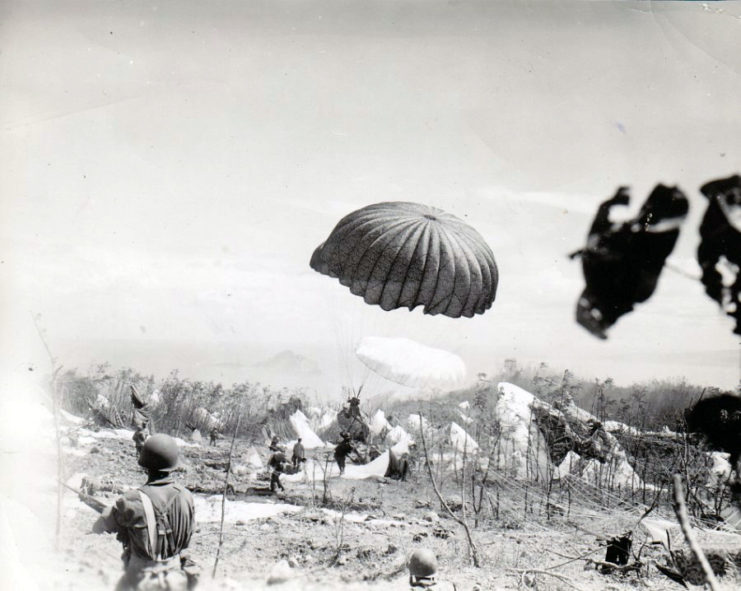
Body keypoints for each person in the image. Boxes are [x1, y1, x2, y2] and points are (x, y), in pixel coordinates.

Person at [92, 434, 197, 591]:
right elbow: (188, 536)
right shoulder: (186, 496)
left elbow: (100, 526)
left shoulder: (131, 499)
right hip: (175, 579)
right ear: (173, 464)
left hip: (140, 580)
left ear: (145, 465)